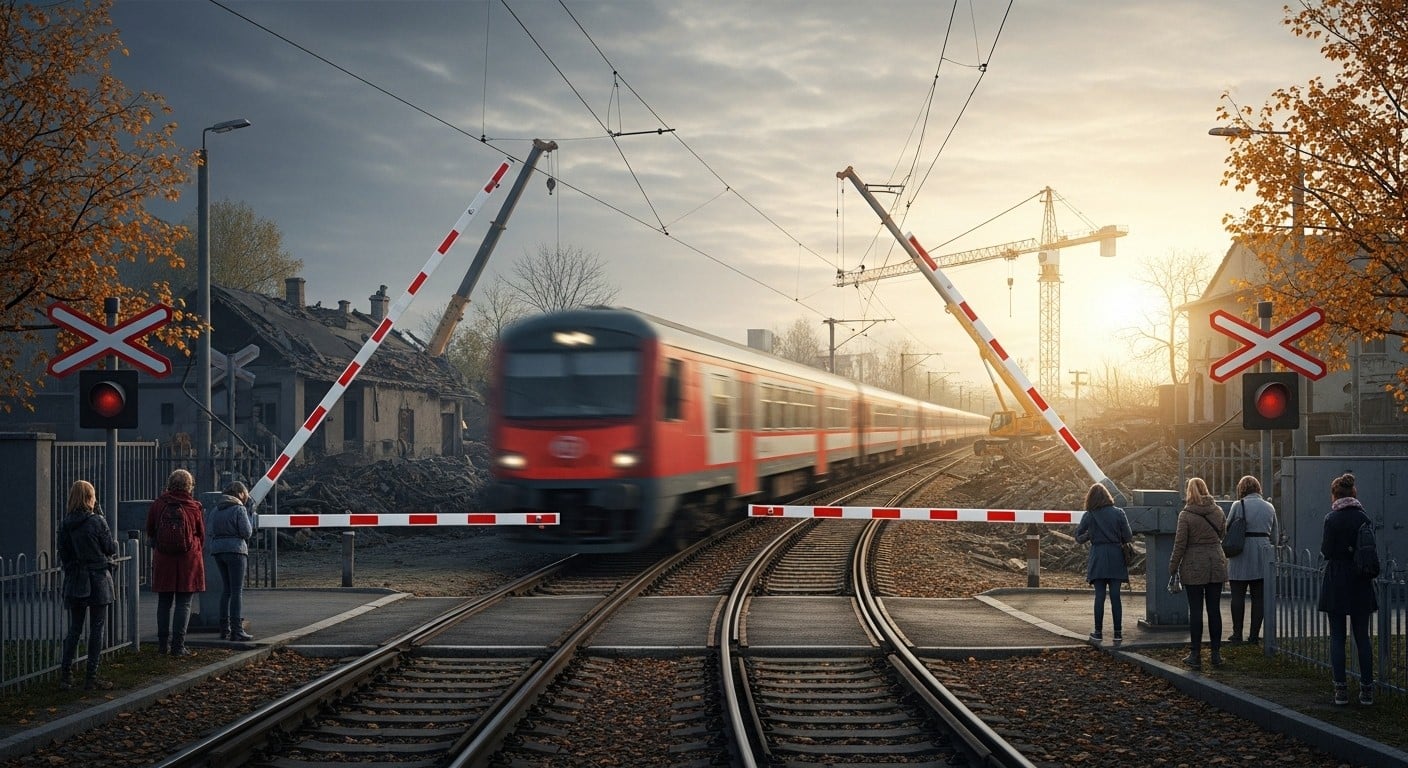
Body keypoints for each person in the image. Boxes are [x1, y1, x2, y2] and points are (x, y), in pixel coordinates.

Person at [1319, 472, 1378, 706]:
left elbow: (1327, 551)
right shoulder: (1364, 518)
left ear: (1335, 495)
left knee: (1337, 636)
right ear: (1353, 493)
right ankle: (1367, 689)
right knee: (1362, 636)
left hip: (1337, 578)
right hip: (1360, 578)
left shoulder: (1331, 519)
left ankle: (1340, 690)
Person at [57, 480, 118, 691]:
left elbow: (63, 554)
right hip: (98, 578)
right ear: (90, 498)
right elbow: (110, 548)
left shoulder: (65, 524)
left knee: (74, 628)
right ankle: (91, 677)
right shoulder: (97, 521)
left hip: (75, 579)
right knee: (96, 628)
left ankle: (66, 674)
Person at [1168, 476, 1227, 670]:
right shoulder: (1217, 511)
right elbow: (1222, 534)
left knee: (1196, 610)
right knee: (1214, 609)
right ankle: (1216, 654)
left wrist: (1173, 567)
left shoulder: (1185, 515)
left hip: (1194, 564)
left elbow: (1180, 544)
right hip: (1216, 562)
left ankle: (1195, 654)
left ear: (1189, 492)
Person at [146, 469, 206, 656]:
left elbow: (150, 529)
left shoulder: (159, 504)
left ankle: (163, 645)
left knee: (164, 603)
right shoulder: (194, 507)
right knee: (184, 604)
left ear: (170, 483)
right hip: (188, 560)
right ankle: (178, 646)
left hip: (164, 559)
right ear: (189, 486)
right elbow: (201, 534)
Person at [1073, 482, 1133, 644]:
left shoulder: (1090, 515)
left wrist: (1091, 535)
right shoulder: (1119, 513)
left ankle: (1098, 632)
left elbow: (1078, 537)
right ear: (1108, 496)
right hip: (1116, 556)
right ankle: (1118, 633)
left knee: (1099, 596)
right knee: (1115, 596)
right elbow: (1128, 536)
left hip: (1098, 556)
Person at [1225, 475, 1279, 645]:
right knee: (1259, 598)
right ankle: (1254, 636)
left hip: (1240, 552)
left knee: (1237, 596)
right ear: (1258, 488)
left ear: (1242, 489)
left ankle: (1237, 634)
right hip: (1262, 552)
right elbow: (1275, 536)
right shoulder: (1269, 507)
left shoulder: (1238, 505)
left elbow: (1227, 527)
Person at [208, 480, 256, 641]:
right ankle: (237, 630)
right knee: (237, 591)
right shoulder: (239, 509)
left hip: (218, 550)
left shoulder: (216, 509)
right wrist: (249, 513)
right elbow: (247, 532)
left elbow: (209, 530)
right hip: (236, 550)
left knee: (226, 590)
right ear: (241, 494)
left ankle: (224, 628)